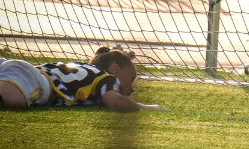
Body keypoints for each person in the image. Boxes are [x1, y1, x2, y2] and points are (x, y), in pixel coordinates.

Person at [0, 46, 159, 112]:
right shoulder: (107, 78)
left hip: (16, 67)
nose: (132, 88)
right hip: (31, 79)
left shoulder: (82, 67)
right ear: (116, 69)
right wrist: (147, 107)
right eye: (131, 77)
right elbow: (116, 102)